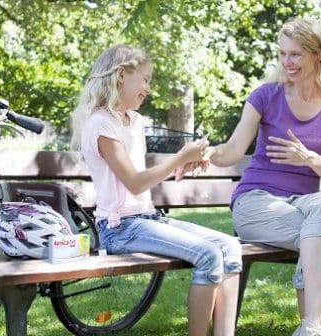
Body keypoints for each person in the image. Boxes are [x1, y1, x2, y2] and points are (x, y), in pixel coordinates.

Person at [71, 44, 242, 336]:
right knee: (208, 256)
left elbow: (142, 177)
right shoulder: (101, 124)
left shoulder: (133, 121)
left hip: (147, 220)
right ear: (121, 75)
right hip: (120, 228)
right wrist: (179, 157)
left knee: (230, 247)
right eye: (145, 79)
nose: (148, 89)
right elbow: (135, 182)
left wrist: (183, 165)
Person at [207, 18, 321, 336]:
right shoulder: (266, 96)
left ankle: (309, 328)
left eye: (296, 54)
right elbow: (234, 149)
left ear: (318, 55)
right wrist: (205, 155)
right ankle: (312, 330)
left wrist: (310, 159)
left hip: (305, 203)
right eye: (283, 54)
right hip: (256, 202)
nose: (287, 62)